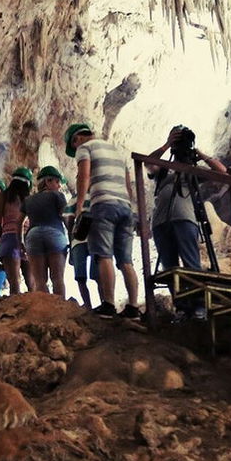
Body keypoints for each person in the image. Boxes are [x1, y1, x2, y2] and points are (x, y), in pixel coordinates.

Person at [147, 126, 228, 319]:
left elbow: (222, 172)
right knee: (170, 267)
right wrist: (168, 144)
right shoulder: (164, 170)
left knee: (191, 263)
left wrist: (197, 153)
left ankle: (199, 305)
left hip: (185, 219)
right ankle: (181, 306)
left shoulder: (192, 170)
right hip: (160, 222)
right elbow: (149, 163)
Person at [64, 122, 142, 318]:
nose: (76, 150)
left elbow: (84, 176)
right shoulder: (116, 150)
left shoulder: (85, 147)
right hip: (125, 206)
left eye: (73, 146)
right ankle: (133, 307)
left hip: (104, 205)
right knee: (125, 260)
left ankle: (108, 304)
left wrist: (80, 206)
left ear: (76, 139)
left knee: (104, 255)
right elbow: (128, 184)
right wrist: (132, 209)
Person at [23, 165, 70, 297]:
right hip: (54, 234)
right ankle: (60, 310)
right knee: (57, 278)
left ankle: (44, 312)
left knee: (39, 281)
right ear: (48, 181)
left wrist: (19, 242)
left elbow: (18, 222)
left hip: (33, 236)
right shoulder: (58, 196)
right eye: (57, 181)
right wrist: (71, 237)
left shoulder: (29, 199)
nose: (59, 186)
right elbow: (64, 217)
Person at [0, 167, 33, 295]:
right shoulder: (29, 198)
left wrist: (2, 235)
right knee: (31, 281)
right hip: (28, 238)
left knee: (14, 281)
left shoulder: (4, 195)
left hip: (9, 237)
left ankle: (16, 312)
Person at [65, 199, 96, 308]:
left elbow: (69, 221)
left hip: (78, 241)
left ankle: (88, 305)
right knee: (98, 274)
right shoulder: (97, 194)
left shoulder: (74, 199)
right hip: (95, 239)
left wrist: (71, 238)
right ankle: (104, 302)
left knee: (80, 276)